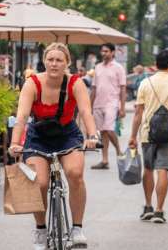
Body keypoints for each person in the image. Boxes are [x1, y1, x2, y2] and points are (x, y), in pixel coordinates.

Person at [7, 43, 98, 249]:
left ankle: (77, 229)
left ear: (67, 63)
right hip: (38, 136)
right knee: (38, 182)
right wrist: (14, 143)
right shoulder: (32, 83)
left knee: (75, 173)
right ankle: (40, 229)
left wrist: (92, 135)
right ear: (44, 61)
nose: (54, 64)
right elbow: (21, 116)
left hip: (68, 134)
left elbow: (85, 112)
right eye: (50, 59)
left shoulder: (76, 83)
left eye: (59, 60)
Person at [129, 49, 168, 224]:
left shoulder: (145, 83)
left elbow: (137, 114)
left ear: (155, 65)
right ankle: (159, 210)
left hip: (148, 134)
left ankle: (148, 206)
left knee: (148, 169)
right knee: (162, 170)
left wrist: (133, 136)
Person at [90, 43, 126, 170]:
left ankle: (119, 150)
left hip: (112, 102)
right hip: (98, 103)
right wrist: (89, 106)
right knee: (103, 132)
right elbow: (94, 88)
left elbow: (123, 88)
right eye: (102, 51)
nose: (104, 53)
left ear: (112, 53)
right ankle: (104, 160)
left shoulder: (118, 68)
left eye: (106, 51)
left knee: (109, 129)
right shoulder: (98, 67)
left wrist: (122, 107)